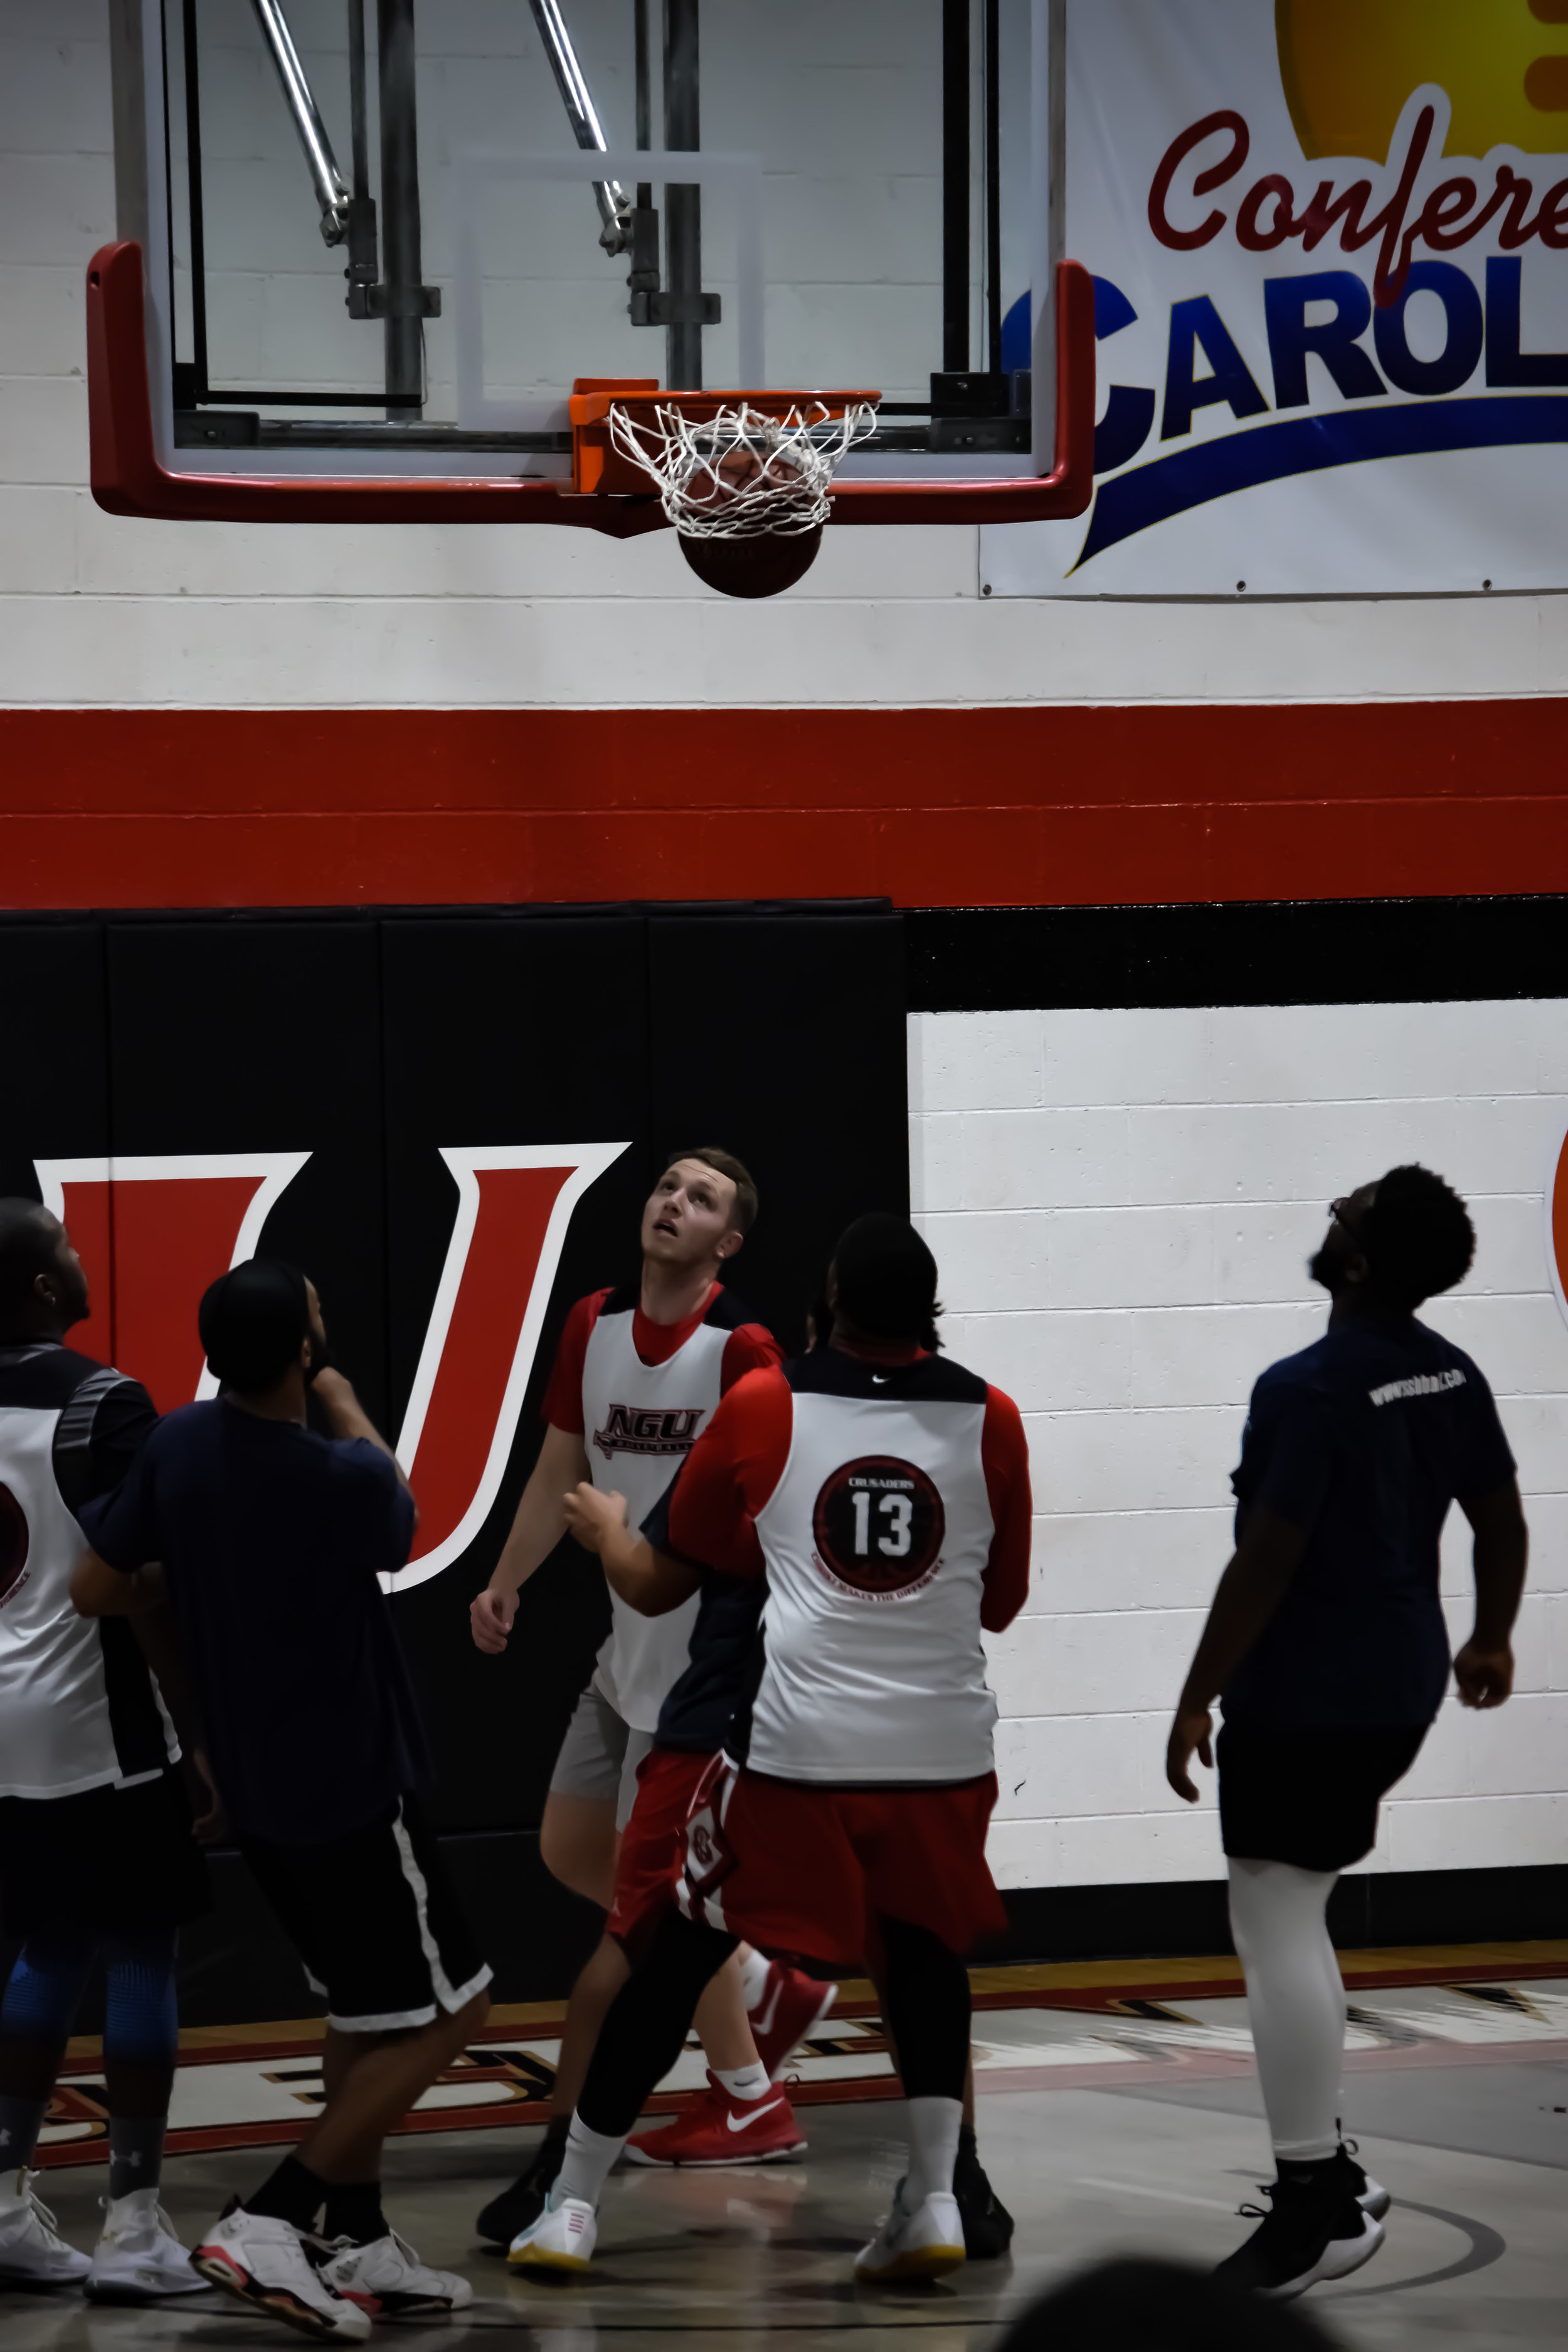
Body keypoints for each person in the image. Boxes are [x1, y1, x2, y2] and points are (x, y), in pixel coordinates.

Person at [509, 1212, 1032, 2282]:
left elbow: (658, 1579)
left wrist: (609, 1526)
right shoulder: (994, 1416)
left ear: (828, 1296)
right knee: (926, 1957)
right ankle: (935, 2194)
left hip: (798, 1747)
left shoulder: (766, 1401)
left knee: (676, 1951)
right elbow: (1004, 1602)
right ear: (930, 1308)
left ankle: (569, 2204)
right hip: (942, 1748)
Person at [72, 1259, 490, 2340]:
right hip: (354, 1777)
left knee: (362, 2008)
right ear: (306, 1349)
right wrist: (349, 1402)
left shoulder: (178, 1443)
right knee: (460, 2006)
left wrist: (193, 1681)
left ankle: (358, 2239)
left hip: (252, 1783)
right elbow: (399, 1517)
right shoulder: (335, 1471)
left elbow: (99, 1585)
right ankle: (274, 2214)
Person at [1165, 1165, 1528, 2300]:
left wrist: (1194, 1694)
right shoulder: (1450, 1370)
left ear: (1361, 1263)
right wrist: (1492, 1638)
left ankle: (1314, 2201)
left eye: (1351, 1211)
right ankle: (1331, 2162)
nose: (1333, 1210)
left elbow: (1264, 1559)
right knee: (1300, 1902)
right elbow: (1503, 1516)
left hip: (1310, 1691)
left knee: (1272, 1911)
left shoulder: (1308, 1387)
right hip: (1404, 1679)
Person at [469, 1150, 828, 2242]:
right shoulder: (592, 1320)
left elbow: (775, 1514)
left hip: (697, 1676)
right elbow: (556, 1464)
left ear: (728, 1243)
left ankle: (583, 2156)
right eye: (668, 1186)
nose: (675, 1202)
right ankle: (756, 1998)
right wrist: (507, 1576)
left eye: (703, 1199)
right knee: (568, 1846)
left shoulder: (746, 1348)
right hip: (624, 1650)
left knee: (631, 1936)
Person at [0, 1199, 214, 2301]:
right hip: (97, 1726)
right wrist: (201, 1735)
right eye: (69, 1251)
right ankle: (133, 2223)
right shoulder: (100, 1400)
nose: (84, 1262)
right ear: (43, 1286)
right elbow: (136, 1586)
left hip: (1, 1733)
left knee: (43, 1945)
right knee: (137, 1951)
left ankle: (1, 2204)